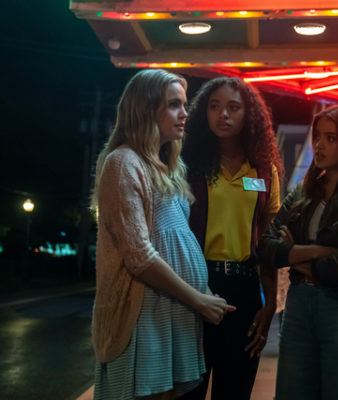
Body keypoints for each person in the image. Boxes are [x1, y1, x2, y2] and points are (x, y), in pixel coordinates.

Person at [90, 69, 234, 400]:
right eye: (173, 105)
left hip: (170, 314)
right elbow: (139, 256)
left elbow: (177, 241)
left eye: (183, 104)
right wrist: (197, 299)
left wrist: (203, 293)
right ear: (145, 109)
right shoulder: (125, 162)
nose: (184, 113)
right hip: (142, 318)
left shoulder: (167, 166)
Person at [258, 105, 338, 400]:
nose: (319, 144)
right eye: (318, 136)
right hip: (299, 304)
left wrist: (292, 252)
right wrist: (319, 250)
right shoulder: (304, 192)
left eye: (331, 138)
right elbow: (266, 247)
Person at [181, 77, 283, 400]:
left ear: (248, 116)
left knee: (234, 394)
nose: (222, 114)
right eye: (214, 106)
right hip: (196, 288)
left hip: (245, 294)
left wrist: (269, 307)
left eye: (233, 107)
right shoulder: (187, 167)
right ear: (204, 113)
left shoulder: (265, 172)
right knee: (188, 393)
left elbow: (267, 244)